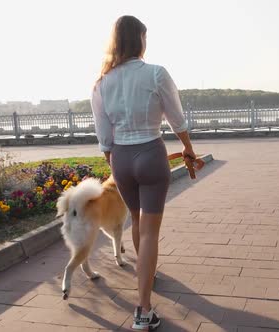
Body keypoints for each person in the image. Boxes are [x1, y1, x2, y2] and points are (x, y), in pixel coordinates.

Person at [90, 15, 196, 330]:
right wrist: (188, 148)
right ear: (140, 40)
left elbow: (103, 137)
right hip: (151, 152)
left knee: (136, 222)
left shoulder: (101, 82)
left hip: (120, 158)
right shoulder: (156, 74)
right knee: (150, 230)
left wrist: (116, 161)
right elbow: (177, 119)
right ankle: (143, 308)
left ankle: (145, 284)